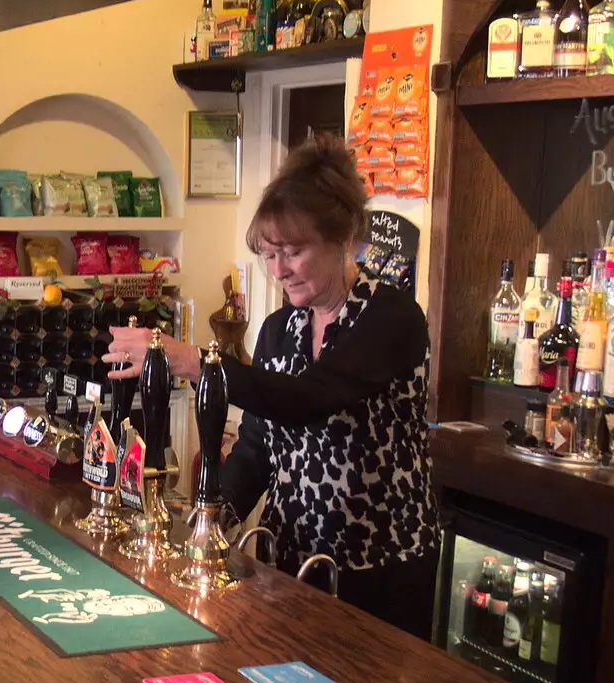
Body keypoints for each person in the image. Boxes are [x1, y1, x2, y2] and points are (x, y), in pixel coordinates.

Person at [105, 136, 438, 637]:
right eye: (270, 254)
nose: (279, 270)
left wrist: (197, 362)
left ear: (344, 237)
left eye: (294, 252)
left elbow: (308, 401)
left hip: (377, 570)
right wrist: (209, 519)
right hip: (289, 560)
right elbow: (260, 445)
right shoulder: (281, 329)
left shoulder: (391, 319)